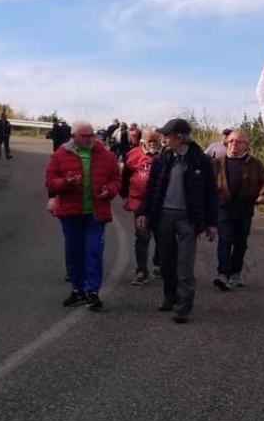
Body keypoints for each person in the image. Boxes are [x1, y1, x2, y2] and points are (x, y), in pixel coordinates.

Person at [135, 118, 218, 324]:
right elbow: (151, 188)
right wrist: (144, 212)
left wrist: (211, 223)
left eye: (167, 136)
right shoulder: (162, 159)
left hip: (188, 218)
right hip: (164, 216)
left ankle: (183, 307)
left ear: (179, 138)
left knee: (185, 263)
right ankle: (170, 296)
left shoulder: (201, 161)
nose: (163, 139)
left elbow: (211, 193)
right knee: (165, 261)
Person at [45, 120, 121, 311]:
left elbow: (116, 179)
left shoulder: (106, 155)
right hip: (71, 213)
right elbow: (51, 182)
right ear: (73, 137)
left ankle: (92, 292)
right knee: (75, 252)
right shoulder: (60, 155)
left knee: (94, 251)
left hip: (96, 213)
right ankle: (78, 289)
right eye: (84, 136)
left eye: (91, 135)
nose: (89, 139)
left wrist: (109, 190)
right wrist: (66, 183)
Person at [211, 130, 264, 290]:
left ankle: (235, 273)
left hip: (244, 209)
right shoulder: (217, 163)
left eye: (238, 142)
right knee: (225, 241)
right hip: (223, 208)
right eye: (231, 141)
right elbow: (208, 184)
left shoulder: (254, 164)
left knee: (240, 243)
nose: (234, 145)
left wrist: (263, 194)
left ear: (246, 145)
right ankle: (223, 274)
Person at [120, 127, 162, 284]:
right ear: (143, 139)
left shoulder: (166, 154)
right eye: (150, 140)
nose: (153, 143)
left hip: (160, 203)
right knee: (142, 236)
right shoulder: (133, 154)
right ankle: (142, 271)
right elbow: (125, 177)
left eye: (156, 140)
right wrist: (126, 195)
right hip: (139, 202)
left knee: (162, 236)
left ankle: (159, 265)